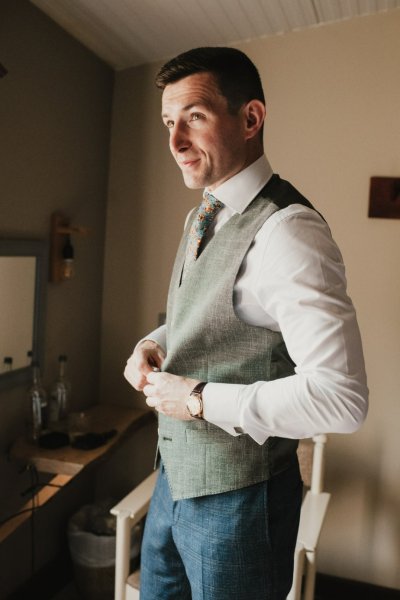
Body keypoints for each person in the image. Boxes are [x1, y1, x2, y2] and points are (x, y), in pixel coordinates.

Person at [124, 47, 368, 600]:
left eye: (194, 118)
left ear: (251, 118)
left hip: (241, 502)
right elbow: (208, 316)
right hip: (170, 482)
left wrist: (200, 400)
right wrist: (151, 343)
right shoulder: (201, 214)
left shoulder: (290, 233)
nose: (174, 143)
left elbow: (342, 399)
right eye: (168, 123)